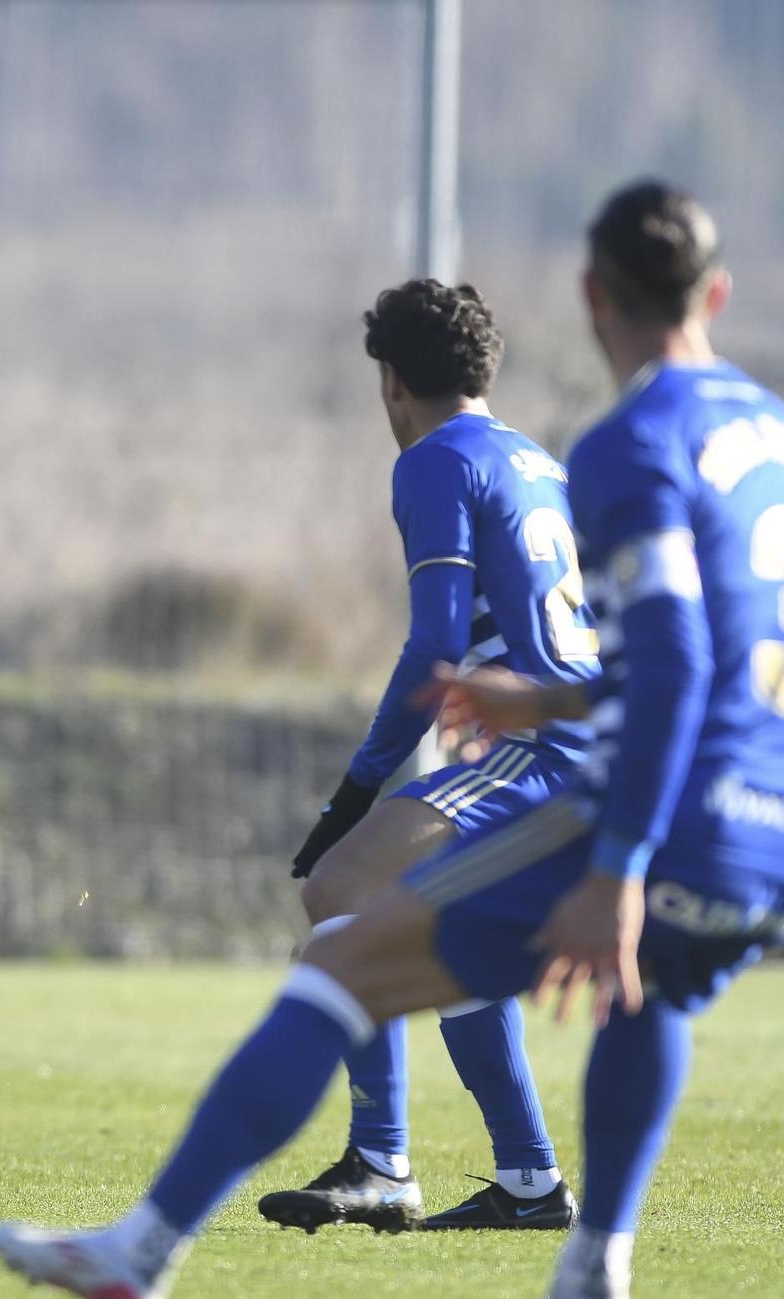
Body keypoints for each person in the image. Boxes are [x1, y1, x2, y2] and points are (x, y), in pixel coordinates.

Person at [0, 180, 784, 1299]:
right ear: (719, 293)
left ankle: (164, 1243)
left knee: (340, 936)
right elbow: (708, 656)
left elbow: (668, 667)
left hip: (671, 800)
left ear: (589, 296)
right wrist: (540, 701)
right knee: (651, 999)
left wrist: (613, 863)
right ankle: (580, 1266)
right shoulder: (783, 436)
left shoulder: (616, 442)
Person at [266, 278, 594, 1234]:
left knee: (337, 890)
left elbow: (434, 649)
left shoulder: (433, 459)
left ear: (392, 383)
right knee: (448, 934)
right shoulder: (538, 461)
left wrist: (359, 785)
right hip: (588, 740)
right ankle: (530, 1185)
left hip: (541, 749)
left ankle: (380, 1160)